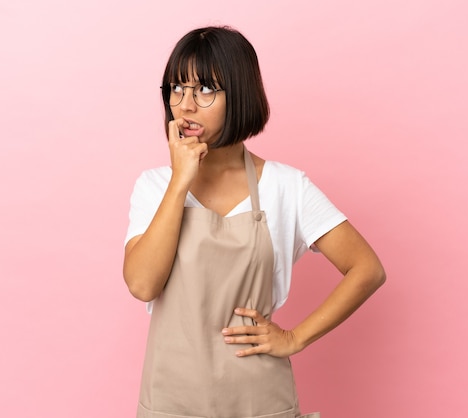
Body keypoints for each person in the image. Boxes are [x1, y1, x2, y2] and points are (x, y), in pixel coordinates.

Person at [123, 25, 386, 418]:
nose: (186, 105)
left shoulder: (286, 186)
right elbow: (143, 284)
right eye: (176, 88)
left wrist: (295, 338)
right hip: (170, 401)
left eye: (205, 90)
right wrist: (180, 181)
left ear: (240, 93)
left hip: (259, 401)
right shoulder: (155, 186)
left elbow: (367, 269)